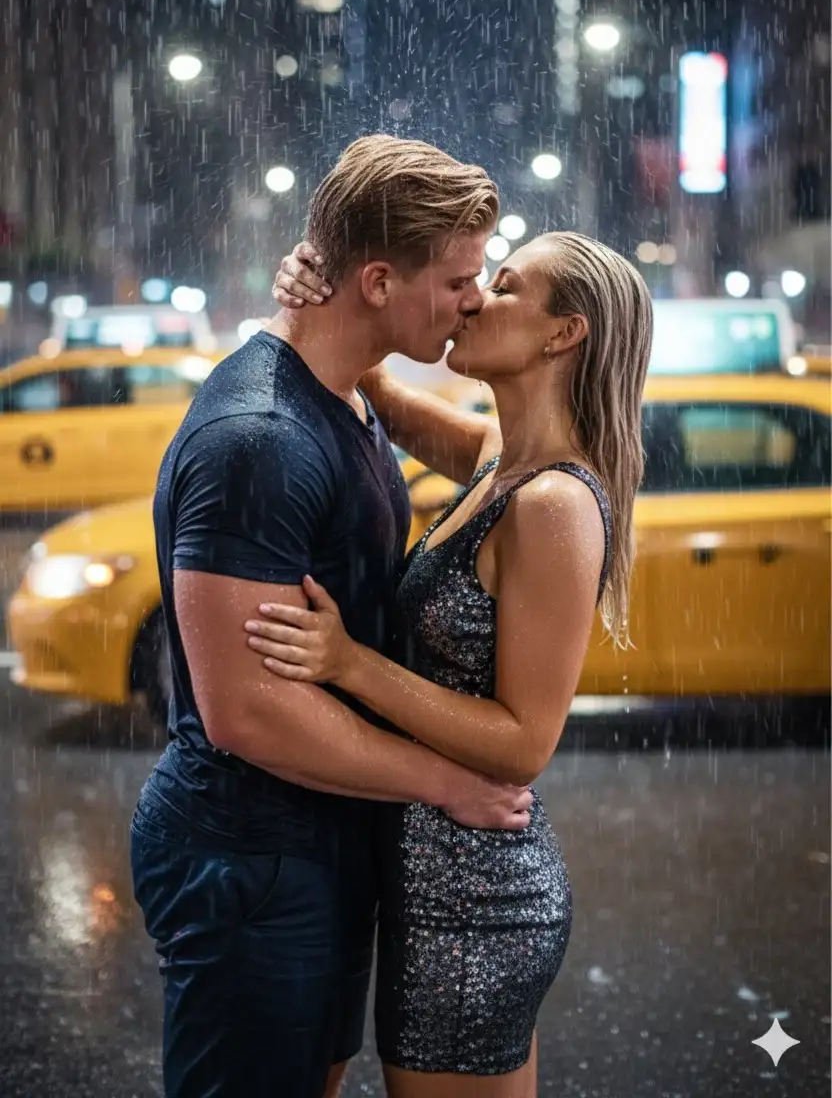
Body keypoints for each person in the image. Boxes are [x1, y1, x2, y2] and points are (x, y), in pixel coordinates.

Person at [129, 135, 535, 1098]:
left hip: (316, 836)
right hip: (248, 850)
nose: (473, 300)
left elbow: (503, 459)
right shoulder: (259, 441)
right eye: (459, 280)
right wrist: (446, 782)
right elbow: (246, 712)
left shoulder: (346, 399)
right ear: (381, 279)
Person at [250, 229, 654, 1097]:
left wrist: (349, 664)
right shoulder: (497, 465)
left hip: (473, 903)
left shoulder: (552, 503)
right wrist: (315, 291)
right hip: (435, 878)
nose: (473, 300)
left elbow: (523, 743)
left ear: (563, 334)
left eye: (503, 289)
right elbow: (378, 386)